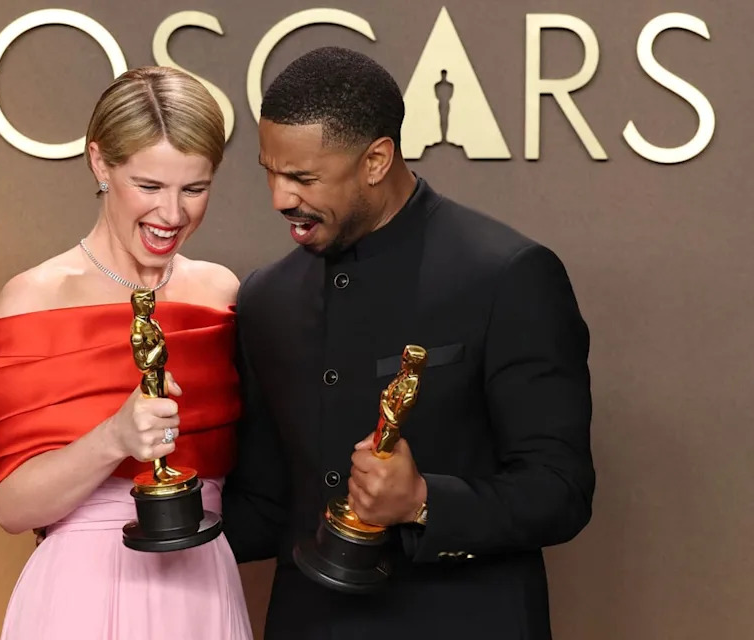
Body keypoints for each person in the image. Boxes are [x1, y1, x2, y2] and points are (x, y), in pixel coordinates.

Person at [222, 47, 595, 639]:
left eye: (302, 177)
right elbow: (267, 504)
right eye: (270, 170)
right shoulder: (266, 298)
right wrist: (119, 518)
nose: (279, 198)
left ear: (375, 159)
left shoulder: (507, 275)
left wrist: (423, 501)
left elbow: (560, 490)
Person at [0, 66, 252, 639]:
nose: (172, 215)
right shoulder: (35, 299)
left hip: (203, 587)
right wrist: (113, 438)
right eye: (148, 187)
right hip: (83, 597)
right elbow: (11, 508)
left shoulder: (222, 294)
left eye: (194, 189)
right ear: (100, 164)